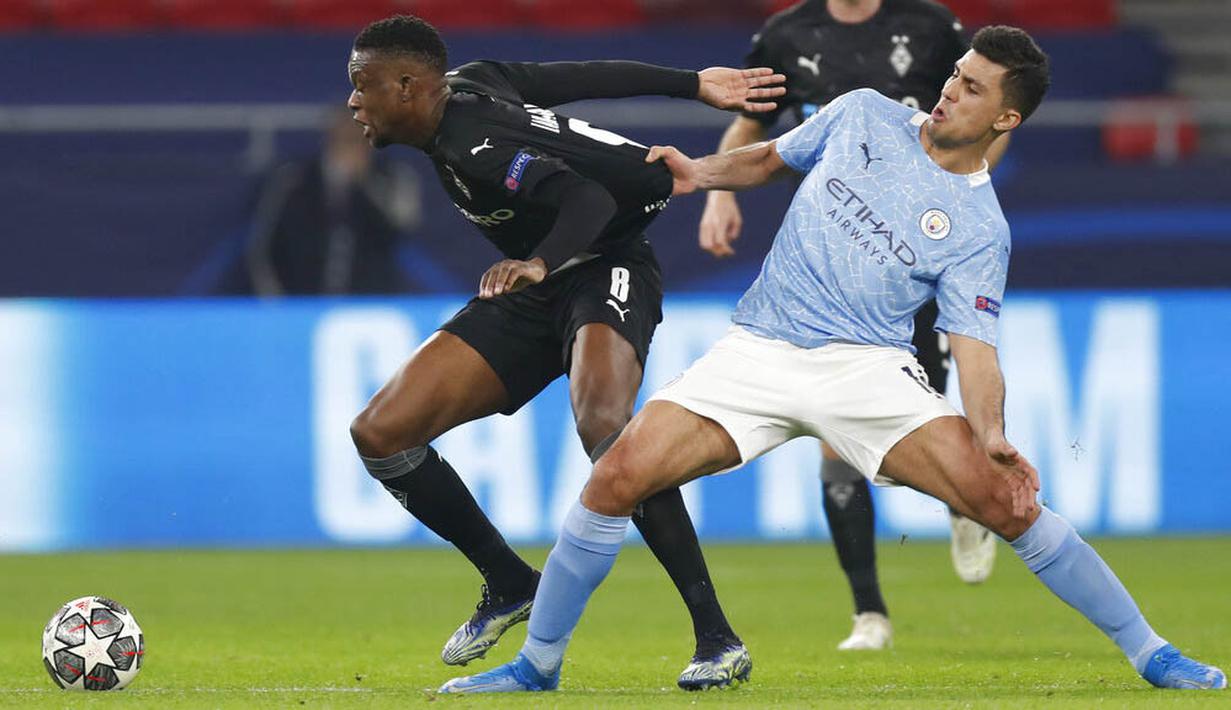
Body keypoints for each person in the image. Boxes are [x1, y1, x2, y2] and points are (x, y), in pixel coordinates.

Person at [440, 26, 1227, 694]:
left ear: (1006, 117)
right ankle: (537, 666)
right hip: (757, 348)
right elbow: (774, 158)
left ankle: (1150, 653)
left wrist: (989, 433)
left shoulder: (980, 229)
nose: (951, 91)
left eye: (974, 88)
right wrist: (701, 173)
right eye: (955, 75)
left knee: (1008, 505)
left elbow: (974, 348)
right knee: (614, 479)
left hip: (865, 371)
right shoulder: (863, 115)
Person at [344, 15, 787, 689]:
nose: (352, 101)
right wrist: (691, 84)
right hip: (540, 277)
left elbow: (589, 196)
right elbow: (580, 78)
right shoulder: (476, 82)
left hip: (606, 263)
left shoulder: (476, 144)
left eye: (362, 85)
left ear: (408, 86)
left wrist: (540, 262)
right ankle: (507, 582)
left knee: (607, 428)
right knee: (381, 432)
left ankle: (715, 636)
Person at [700, 0, 1011, 651]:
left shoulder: (927, 26)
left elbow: (986, 116)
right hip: (831, 258)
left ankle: (961, 499)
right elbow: (752, 124)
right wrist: (721, 191)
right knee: (838, 444)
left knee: (903, 451)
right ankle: (868, 613)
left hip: (915, 261)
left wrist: (962, 185)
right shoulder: (786, 35)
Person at [247, 108, 423, 295]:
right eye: (344, 139)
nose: (350, 148)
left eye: (358, 138)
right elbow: (262, 246)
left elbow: (404, 226)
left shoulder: (393, 177)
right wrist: (275, 300)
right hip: (301, 301)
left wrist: (364, 182)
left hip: (371, 303)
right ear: (329, 137)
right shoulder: (292, 180)